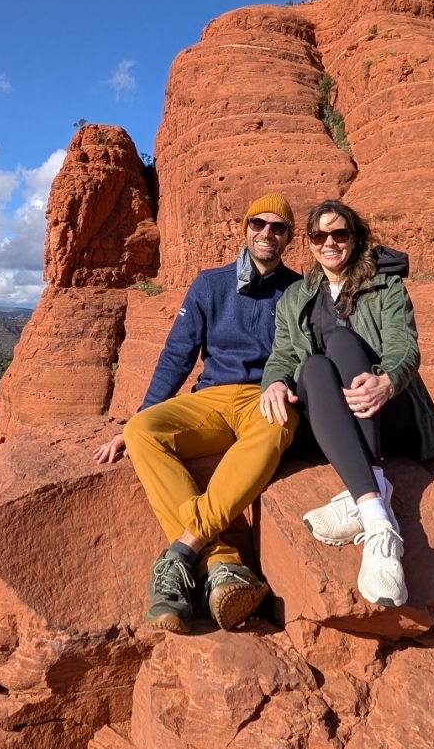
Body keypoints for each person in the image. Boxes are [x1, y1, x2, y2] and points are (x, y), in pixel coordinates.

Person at [93, 192, 302, 633]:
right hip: (209, 398)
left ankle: (180, 558)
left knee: (279, 422)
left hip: (262, 398)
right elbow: (177, 354)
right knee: (143, 431)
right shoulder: (211, 283)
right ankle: (220, 562)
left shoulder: (299, 291)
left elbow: (307, 354)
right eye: (258, 224)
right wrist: (135, 420)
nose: (267, 233)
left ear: (288, 238)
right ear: (245, 230)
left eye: (277, 227)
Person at [259, 199, 434, 607]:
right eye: (319, 235)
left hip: (389, 412)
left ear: (354, 238)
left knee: (344, 341)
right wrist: (274, 382)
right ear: (310, 243)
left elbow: (406, 349)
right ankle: (375, 503)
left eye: (339, 234)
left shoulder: (386, 285)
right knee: (312, 365)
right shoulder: (296, 296)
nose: (329, 243)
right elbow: (282, 355)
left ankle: (368, 512)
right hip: (333, 421)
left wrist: (386, 381)